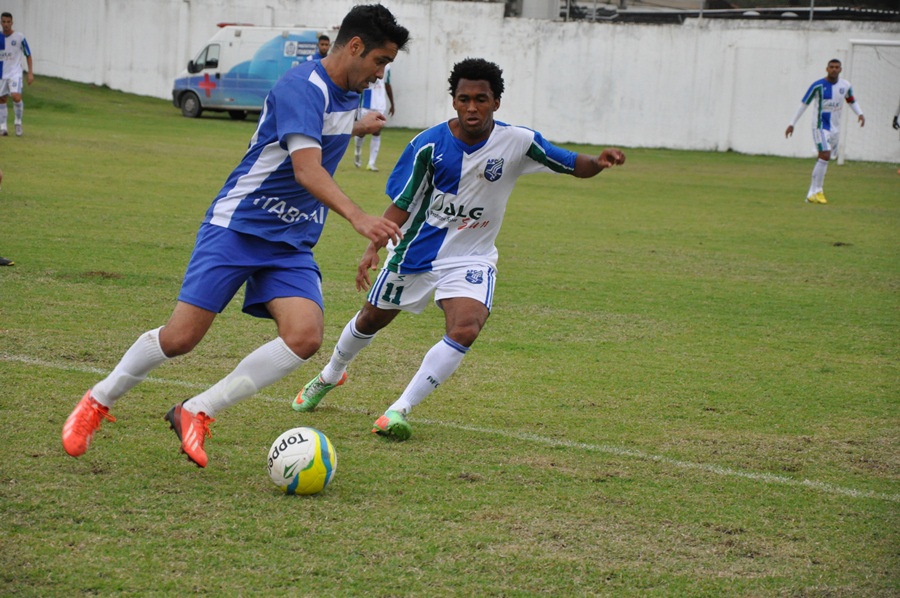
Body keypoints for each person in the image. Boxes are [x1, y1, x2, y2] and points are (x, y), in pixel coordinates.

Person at [61, 4, 411, 468]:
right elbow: (306, 169)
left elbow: (326, 121)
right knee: (181, 337)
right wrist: (358, 216)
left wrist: (355, 122)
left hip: (289, 240)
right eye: (379, 62)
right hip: (239, 225)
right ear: (354, 46)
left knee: (304, 337)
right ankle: (98, 400)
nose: (380, 74)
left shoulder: (347, 93)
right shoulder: (298, 86)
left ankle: (197, 410)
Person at [291, 57, 626, 440]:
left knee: (466, 328)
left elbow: (570, 163)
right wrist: (374, 246)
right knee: (371, 318)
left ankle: (399, 410)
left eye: (481, 99)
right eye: (464, 98)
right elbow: (403, 203)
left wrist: (598, 162)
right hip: (417, 252)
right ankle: (331, 374)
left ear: (496, 102)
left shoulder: (518, 142)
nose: (472, 107)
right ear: (454, 101)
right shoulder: (427, 145)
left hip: (473, 256)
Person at [785, 58, 864, 204]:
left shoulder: (845, 85)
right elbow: (804, 104)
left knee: (824, 158)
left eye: (837, 67)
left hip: (835, 128)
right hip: (820, 126)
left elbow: (851, 100)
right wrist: (792, 123)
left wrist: (860, 113)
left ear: (840, 69)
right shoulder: (818, 86)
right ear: (826, 69)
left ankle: (811, 194)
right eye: (831, 67)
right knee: (825, 155)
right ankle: (819, 191)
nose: (834, 69)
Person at [354, 63, 394, 171]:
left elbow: (387, 84)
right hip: (366, 101)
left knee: (377, 130)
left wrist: (392, 104)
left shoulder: (387, 66)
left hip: (380, 103)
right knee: (362, 131)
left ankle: (371, 163)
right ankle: (357, 152)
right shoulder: (369, 60)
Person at [0, 12, 34, 137]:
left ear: (12, 23)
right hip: (1, 74)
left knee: (16, 96)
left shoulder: (19, 37)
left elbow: (28, 55)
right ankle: (3, 127)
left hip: (15, 73)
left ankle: (18, 123)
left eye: (8, 22)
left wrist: (30, 73)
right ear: (1, 22)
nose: (6, 24)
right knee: (2, 99)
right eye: (4, 21)